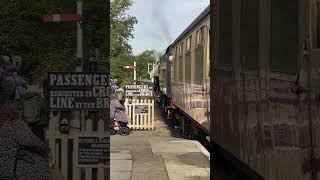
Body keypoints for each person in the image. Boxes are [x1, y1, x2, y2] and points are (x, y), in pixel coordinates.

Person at [0, 102, 50, 179]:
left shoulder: (3, 126)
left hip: (4, 170)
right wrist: (46, 148)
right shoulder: (15, 124)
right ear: (16, 112)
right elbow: (30, 140)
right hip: (17, 171)